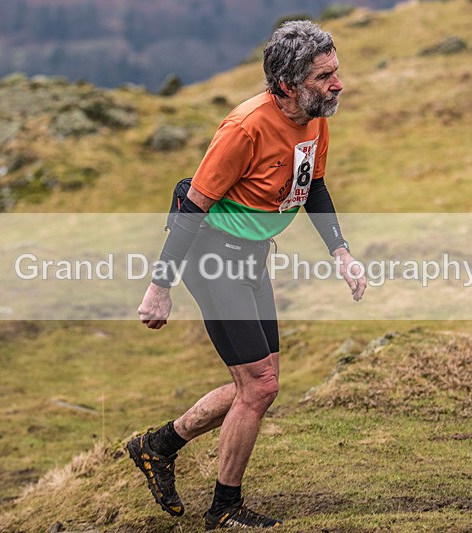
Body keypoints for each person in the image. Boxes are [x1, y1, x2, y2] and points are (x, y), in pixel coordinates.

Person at [128, 20, 367, 529]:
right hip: (211, 254)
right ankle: (224, 510)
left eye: (336, 72)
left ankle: (157, 446)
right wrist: (160, 287)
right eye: (325, 76)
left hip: (251, 254)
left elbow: (313, 187)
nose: (338, 84)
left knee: (261, 382)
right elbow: (192, 206)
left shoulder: (315, 114)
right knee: (258, 385)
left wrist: (341, 252)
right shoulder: (245, 127)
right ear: (286, 84)